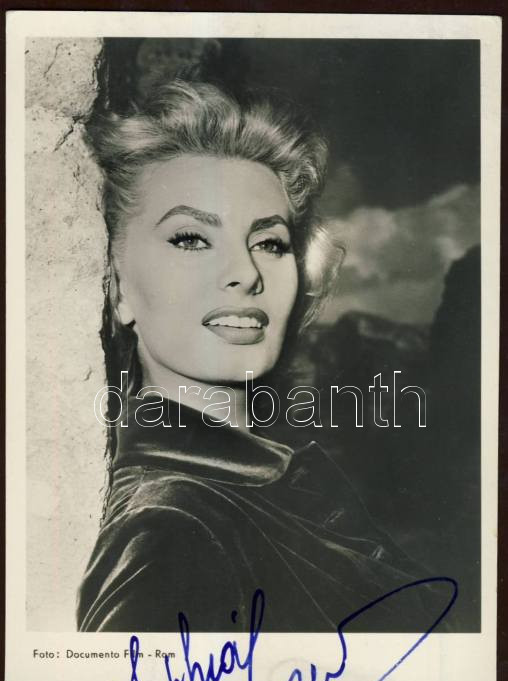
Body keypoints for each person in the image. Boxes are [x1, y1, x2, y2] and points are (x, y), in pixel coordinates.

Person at [77, 80, 448, 633]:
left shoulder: (271, 482)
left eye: (270, 242)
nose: (247, 273)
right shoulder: (169, 532)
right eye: (191, 238)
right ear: (116, 288)